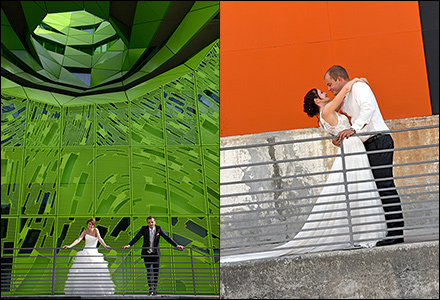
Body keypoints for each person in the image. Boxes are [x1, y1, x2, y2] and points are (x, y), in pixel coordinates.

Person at [221, 78, 387, 263]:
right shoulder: (328, 109)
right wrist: (356, 80)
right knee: (360, 186)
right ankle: (364, 231)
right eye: (322, 93)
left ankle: (361, 229)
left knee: (356, 187)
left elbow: (337, 131)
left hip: (350, 147)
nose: (326, 92)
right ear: (317, 101)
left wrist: (337, 138)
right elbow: (345, 88)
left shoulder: (322, 119)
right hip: (352, 147)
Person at [324, 65, 404, 246]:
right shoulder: (345, 98)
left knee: (385, 186)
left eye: (329, 84)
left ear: (339, 79)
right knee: (376, 188)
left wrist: (353, 129)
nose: (329, 89)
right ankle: (385, 230)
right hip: (367, 144)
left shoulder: (360, 88)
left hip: (379, 140)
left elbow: (368, 109)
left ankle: (396, 233)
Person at [123, 216, 184, 296]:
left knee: (156, 272)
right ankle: (151, 289)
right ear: (147, 223)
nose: (150, 224)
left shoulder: (158, 229)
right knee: (149, 271)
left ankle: (154, 289)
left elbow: (167, 237)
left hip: (156, 254)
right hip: (147, 254)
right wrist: (129, 245)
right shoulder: (144, 229)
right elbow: (137, 237)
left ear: (154, 222)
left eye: (152, 222)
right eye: (149, 222)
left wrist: (176, 245)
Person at [62, 218, 115, 295]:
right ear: (87, 224)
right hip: (85, 252)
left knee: (96, 272)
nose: (90, 225)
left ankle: (96, 292)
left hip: (94, 252)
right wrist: (70, 246)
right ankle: (82, 292)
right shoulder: (85, 232)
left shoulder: (96, 230)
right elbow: (78, 239)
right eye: (89, 224)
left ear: (94, 225)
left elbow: (100, 238)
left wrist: (105, 246)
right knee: (81, 272)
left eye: (92, 224)